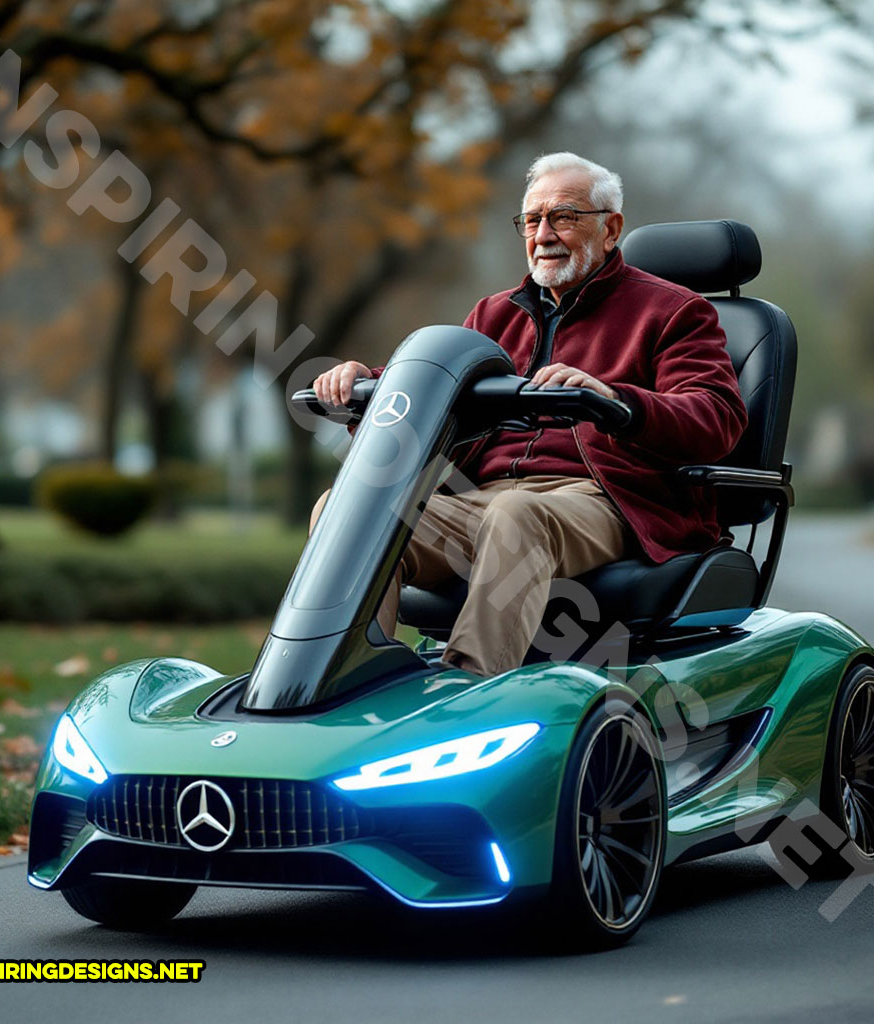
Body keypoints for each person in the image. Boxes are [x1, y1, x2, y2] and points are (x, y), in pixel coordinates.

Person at [313, 152, 747, 676]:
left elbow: (716, 417)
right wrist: (365, 384)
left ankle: (468, 695)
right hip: (483, 500)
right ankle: (347, 683)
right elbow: (432, 384)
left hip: (604, 500)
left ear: (611, 229)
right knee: (348, 505)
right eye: (532, 220)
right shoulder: (494, 314)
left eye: (564, 217)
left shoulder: (674, 311)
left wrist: (616, 399)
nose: (544, 233)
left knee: (515, 516)